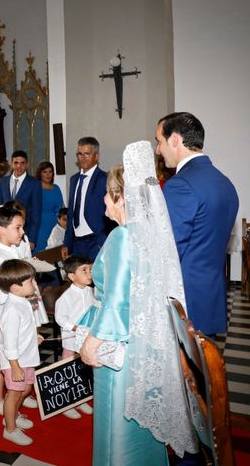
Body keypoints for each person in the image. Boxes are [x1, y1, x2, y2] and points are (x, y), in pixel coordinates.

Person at [79, 141, 197, 464]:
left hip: (118, 351)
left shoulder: (121, 237)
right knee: (140, 432)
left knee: (114, 436)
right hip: (141, 349)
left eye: (107, 193)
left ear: (120, 197)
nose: (103, 199)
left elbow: (117, 299)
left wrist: (92, 342)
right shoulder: (147, 239)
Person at [155, 112, 238, 336]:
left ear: (174, 139)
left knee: (183, 370)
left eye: (159, 142)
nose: (158, 150)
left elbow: (168, 250)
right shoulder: (225, 183)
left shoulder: (180, 185)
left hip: (184, 300)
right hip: (210, 293)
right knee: (204, 368)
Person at [0, 205, 45, 417]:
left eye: (22, 227)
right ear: (1, 229)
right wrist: (17, 300)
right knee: (1, 357)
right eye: (18, 228)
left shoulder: (11, 248)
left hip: (14, 311)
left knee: (17, 352)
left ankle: (17, 392)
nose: (22, 232)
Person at [0, 259, 44, 446]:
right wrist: (15, 367)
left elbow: (24, 328)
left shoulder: (22, 301)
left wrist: (35, 336)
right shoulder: (11, 310)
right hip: (14, 362)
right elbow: (9, 342)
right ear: (15, 287)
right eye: (30, 281)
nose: (34, 284)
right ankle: (10, 429)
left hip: (27, 357)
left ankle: (13, 416)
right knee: (14, 394)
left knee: (26, 390)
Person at [55, 254, 94, 419]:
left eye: (90, 269)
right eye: (84, 270)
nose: (89, 274)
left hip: (86, 340)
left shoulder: (91, 291)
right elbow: (60, 318)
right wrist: (75, 327)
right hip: (71, 341)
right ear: (71, 276)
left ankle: (80, 398)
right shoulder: (66, 297)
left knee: (83, 371)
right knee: (69, 371)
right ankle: (67, 403)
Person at [63, 137, 111, 260]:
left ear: (96, 156)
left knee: (96, 278)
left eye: (87, 154)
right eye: (80, 154)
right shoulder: (74, 179)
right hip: (76, 242)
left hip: (96, 240)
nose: (82, 158)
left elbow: (110, 212)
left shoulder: (104, 179)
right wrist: (66, 243)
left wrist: (104, 241)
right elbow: (71, 212)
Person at [0, 151, 42, 252]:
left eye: (22, 163)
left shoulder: (34, 184)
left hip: (24, 233)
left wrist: (32, 239)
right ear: (11, 164)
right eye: (16, 163)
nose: (19, 166)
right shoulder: (4, 181)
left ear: (27, 165)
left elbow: (36, 214)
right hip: (6, 233)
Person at [34, 161, 64, 251]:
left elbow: (60, 208)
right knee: (38, 253)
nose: (48, 175)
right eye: (44, 172)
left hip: (54, 226)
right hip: (38, 226)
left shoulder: (56, 188)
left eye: (50, 172)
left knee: (52, 253)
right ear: (40, 173)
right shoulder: (34, 188)